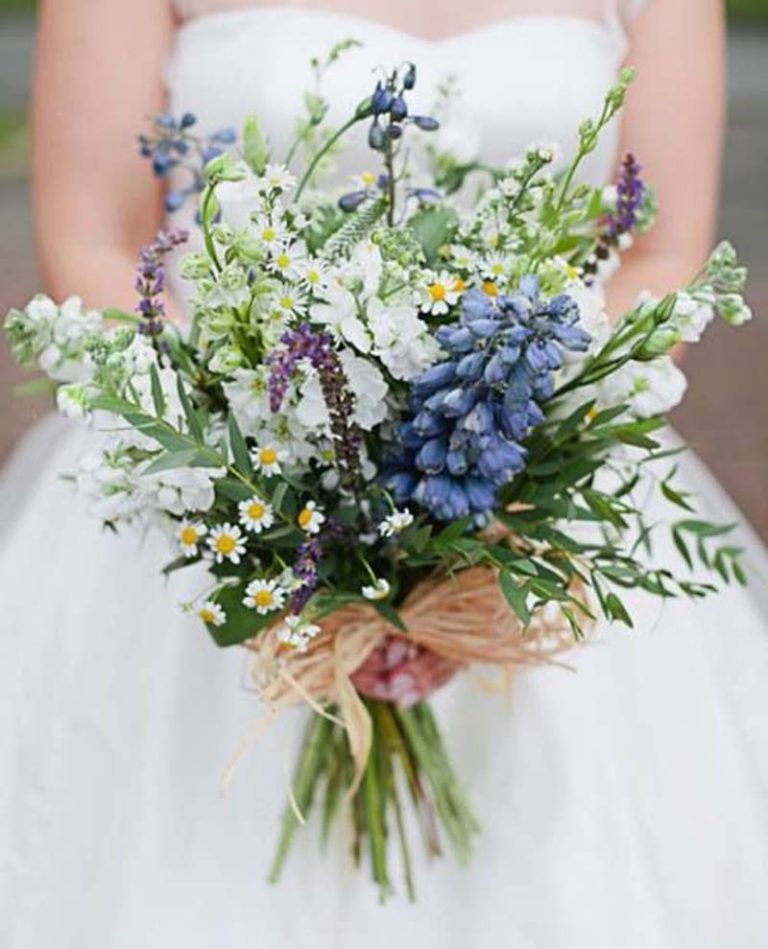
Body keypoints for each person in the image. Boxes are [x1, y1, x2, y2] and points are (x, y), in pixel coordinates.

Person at [1, 1, 767, 946]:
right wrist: (268, 488)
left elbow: (660, 253)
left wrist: (481, 520)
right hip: (210, 500)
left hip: (527, 473)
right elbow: (96, 247)